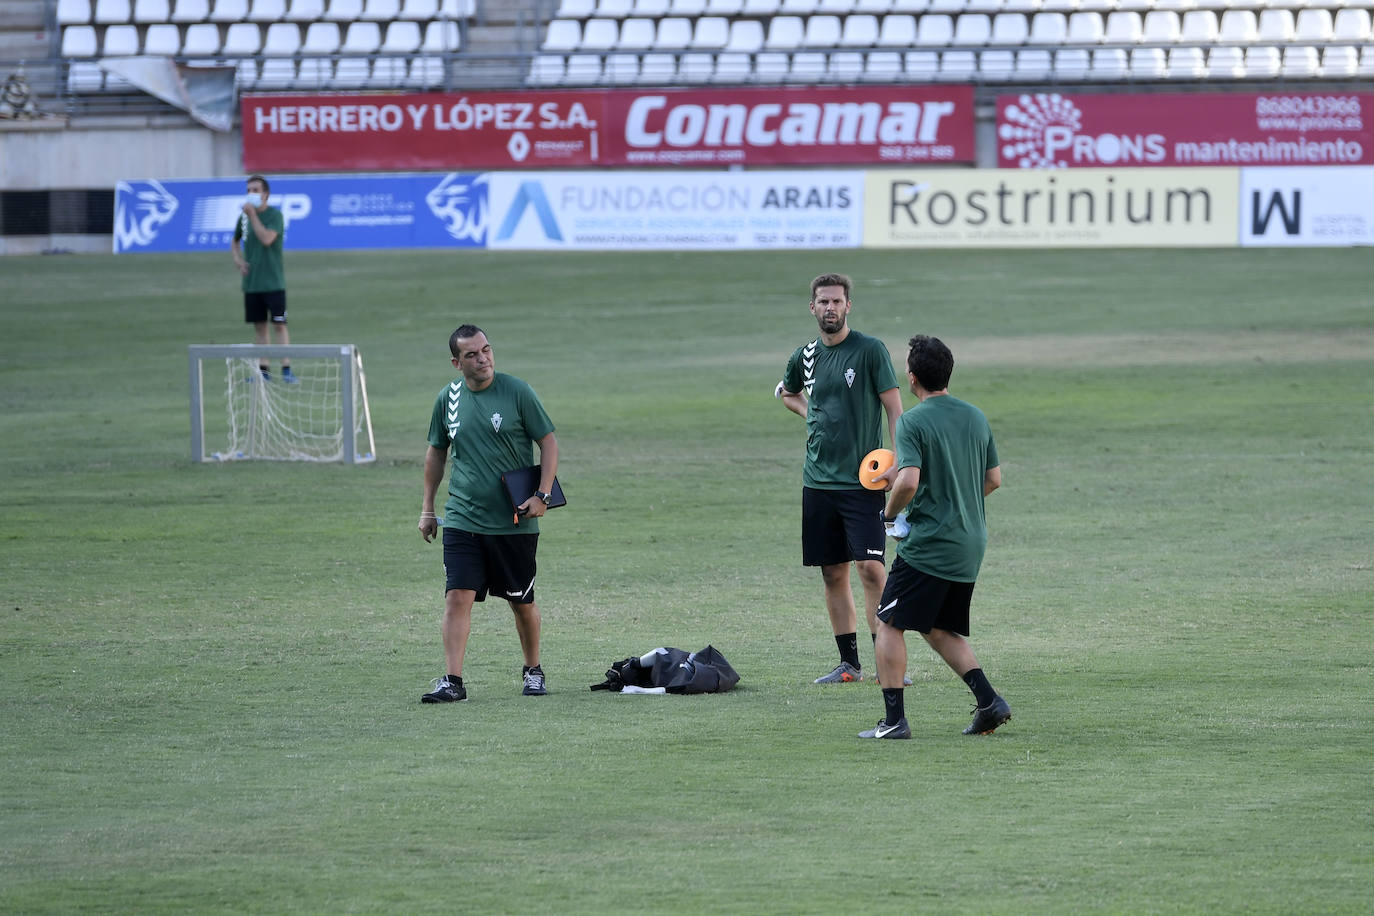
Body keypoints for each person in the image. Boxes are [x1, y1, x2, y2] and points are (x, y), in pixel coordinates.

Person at [859, 335, 1009, 740]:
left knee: (888, 622)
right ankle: (990, 703)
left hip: (931, 546)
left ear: (911, 377)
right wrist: (952, 498)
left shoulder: (913, 420)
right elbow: (993, 479)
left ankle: (893, 722)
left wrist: (889, 516)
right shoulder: (975, 416)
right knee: (939, 627)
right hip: (970, 541)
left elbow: (907, 480)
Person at [418, 325, 559, 703]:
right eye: (472, 355)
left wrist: (542, 495)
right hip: (463, 518)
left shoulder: (517, 392)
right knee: (457, 596)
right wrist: (428, 509)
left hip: (514, 522)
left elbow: (548, 442)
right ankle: (453, 681)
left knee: (521, 602)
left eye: (486, 350)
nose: (482, 359)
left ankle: (533, 669)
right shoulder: (447, 399)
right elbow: (436, 453)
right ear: (456, 362)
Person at [776, 273, 904, 685]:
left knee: (870, 569)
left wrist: (899, 462)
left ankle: (888, 660)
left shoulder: (870, 351)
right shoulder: (805, 355)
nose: (830, 308)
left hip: (863, 483)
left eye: (836, 302)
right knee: (832, 572)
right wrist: (808, 415)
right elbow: (788, 392)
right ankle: (849, 664)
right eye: (823, 302)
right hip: (817, 483)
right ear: (812, 308)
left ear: (848, 306)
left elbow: (895, 410)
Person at [231, 174, 294, 383]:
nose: (252, 194)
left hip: (273, 281)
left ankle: (286, 368)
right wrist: (238, 259)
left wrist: (253, 216)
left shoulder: (274, 216)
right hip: (252, 283)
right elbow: (234, 240)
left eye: (256, 190)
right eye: (249, 190)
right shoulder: (243, 218)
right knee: (259, 327)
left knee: (279, 325)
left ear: (266, 194)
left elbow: (267, 239)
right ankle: (263, 371)